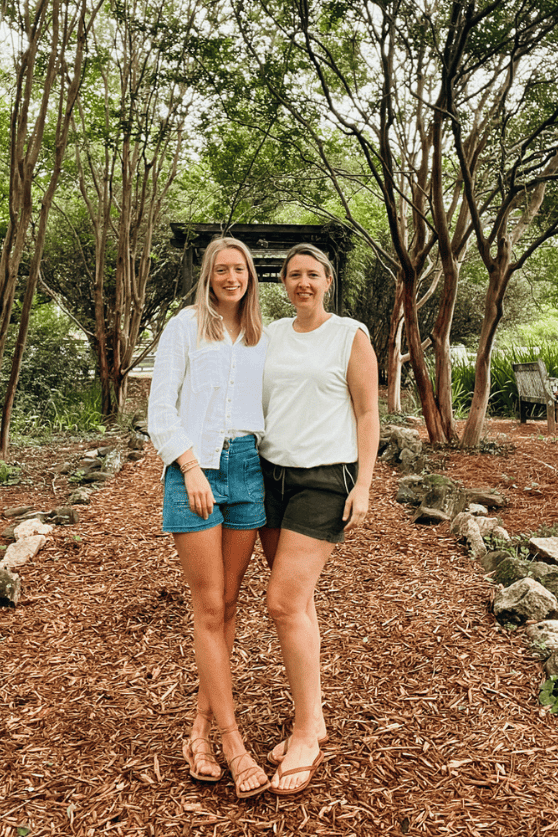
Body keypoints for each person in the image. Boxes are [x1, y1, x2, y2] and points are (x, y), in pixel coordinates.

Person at [147, 237, 269, 799]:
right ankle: (232, 740)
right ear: (208, 274)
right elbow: (160, 408)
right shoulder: (185, 326)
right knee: (208, 605)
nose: (230, 276)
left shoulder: (263, 335)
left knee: (229, 604)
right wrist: (190, 466)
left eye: (238, 268)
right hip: (196, 468)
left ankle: (198, 731)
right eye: (220, 269)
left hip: (248, 467)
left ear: (250, 274)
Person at [259, 243, 380, 797]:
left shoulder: (349, 334)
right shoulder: (273, 334)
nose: (302, 283)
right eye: (293, 275)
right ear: (282, 283)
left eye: (312, 274)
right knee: (298, 602)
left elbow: (366, 411)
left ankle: (307, 729)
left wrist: (365, 483)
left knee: (282, 601)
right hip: (270, 477)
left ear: (327, 280)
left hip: (324, 479)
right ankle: (315, 715)